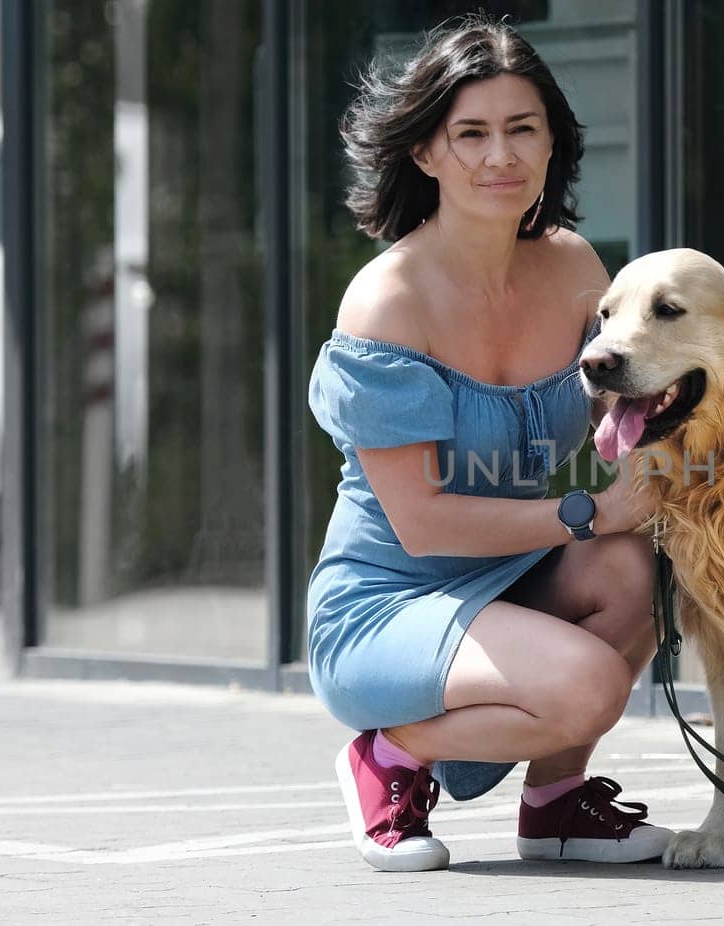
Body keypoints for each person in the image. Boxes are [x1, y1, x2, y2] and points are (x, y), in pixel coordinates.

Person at [305, 16, 668, 873]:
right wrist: (591, 509)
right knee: (589, 682)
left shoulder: (577, 268)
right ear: (426, 152)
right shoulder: (386, 301)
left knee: (634, 570)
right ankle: (386, 757)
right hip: (384, 606)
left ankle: (555, 807)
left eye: (521, 129)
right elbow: (424, 526)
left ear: (551, 146)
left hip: (508, 580)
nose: (498, 154)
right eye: (470, 133)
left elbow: (639, 394)